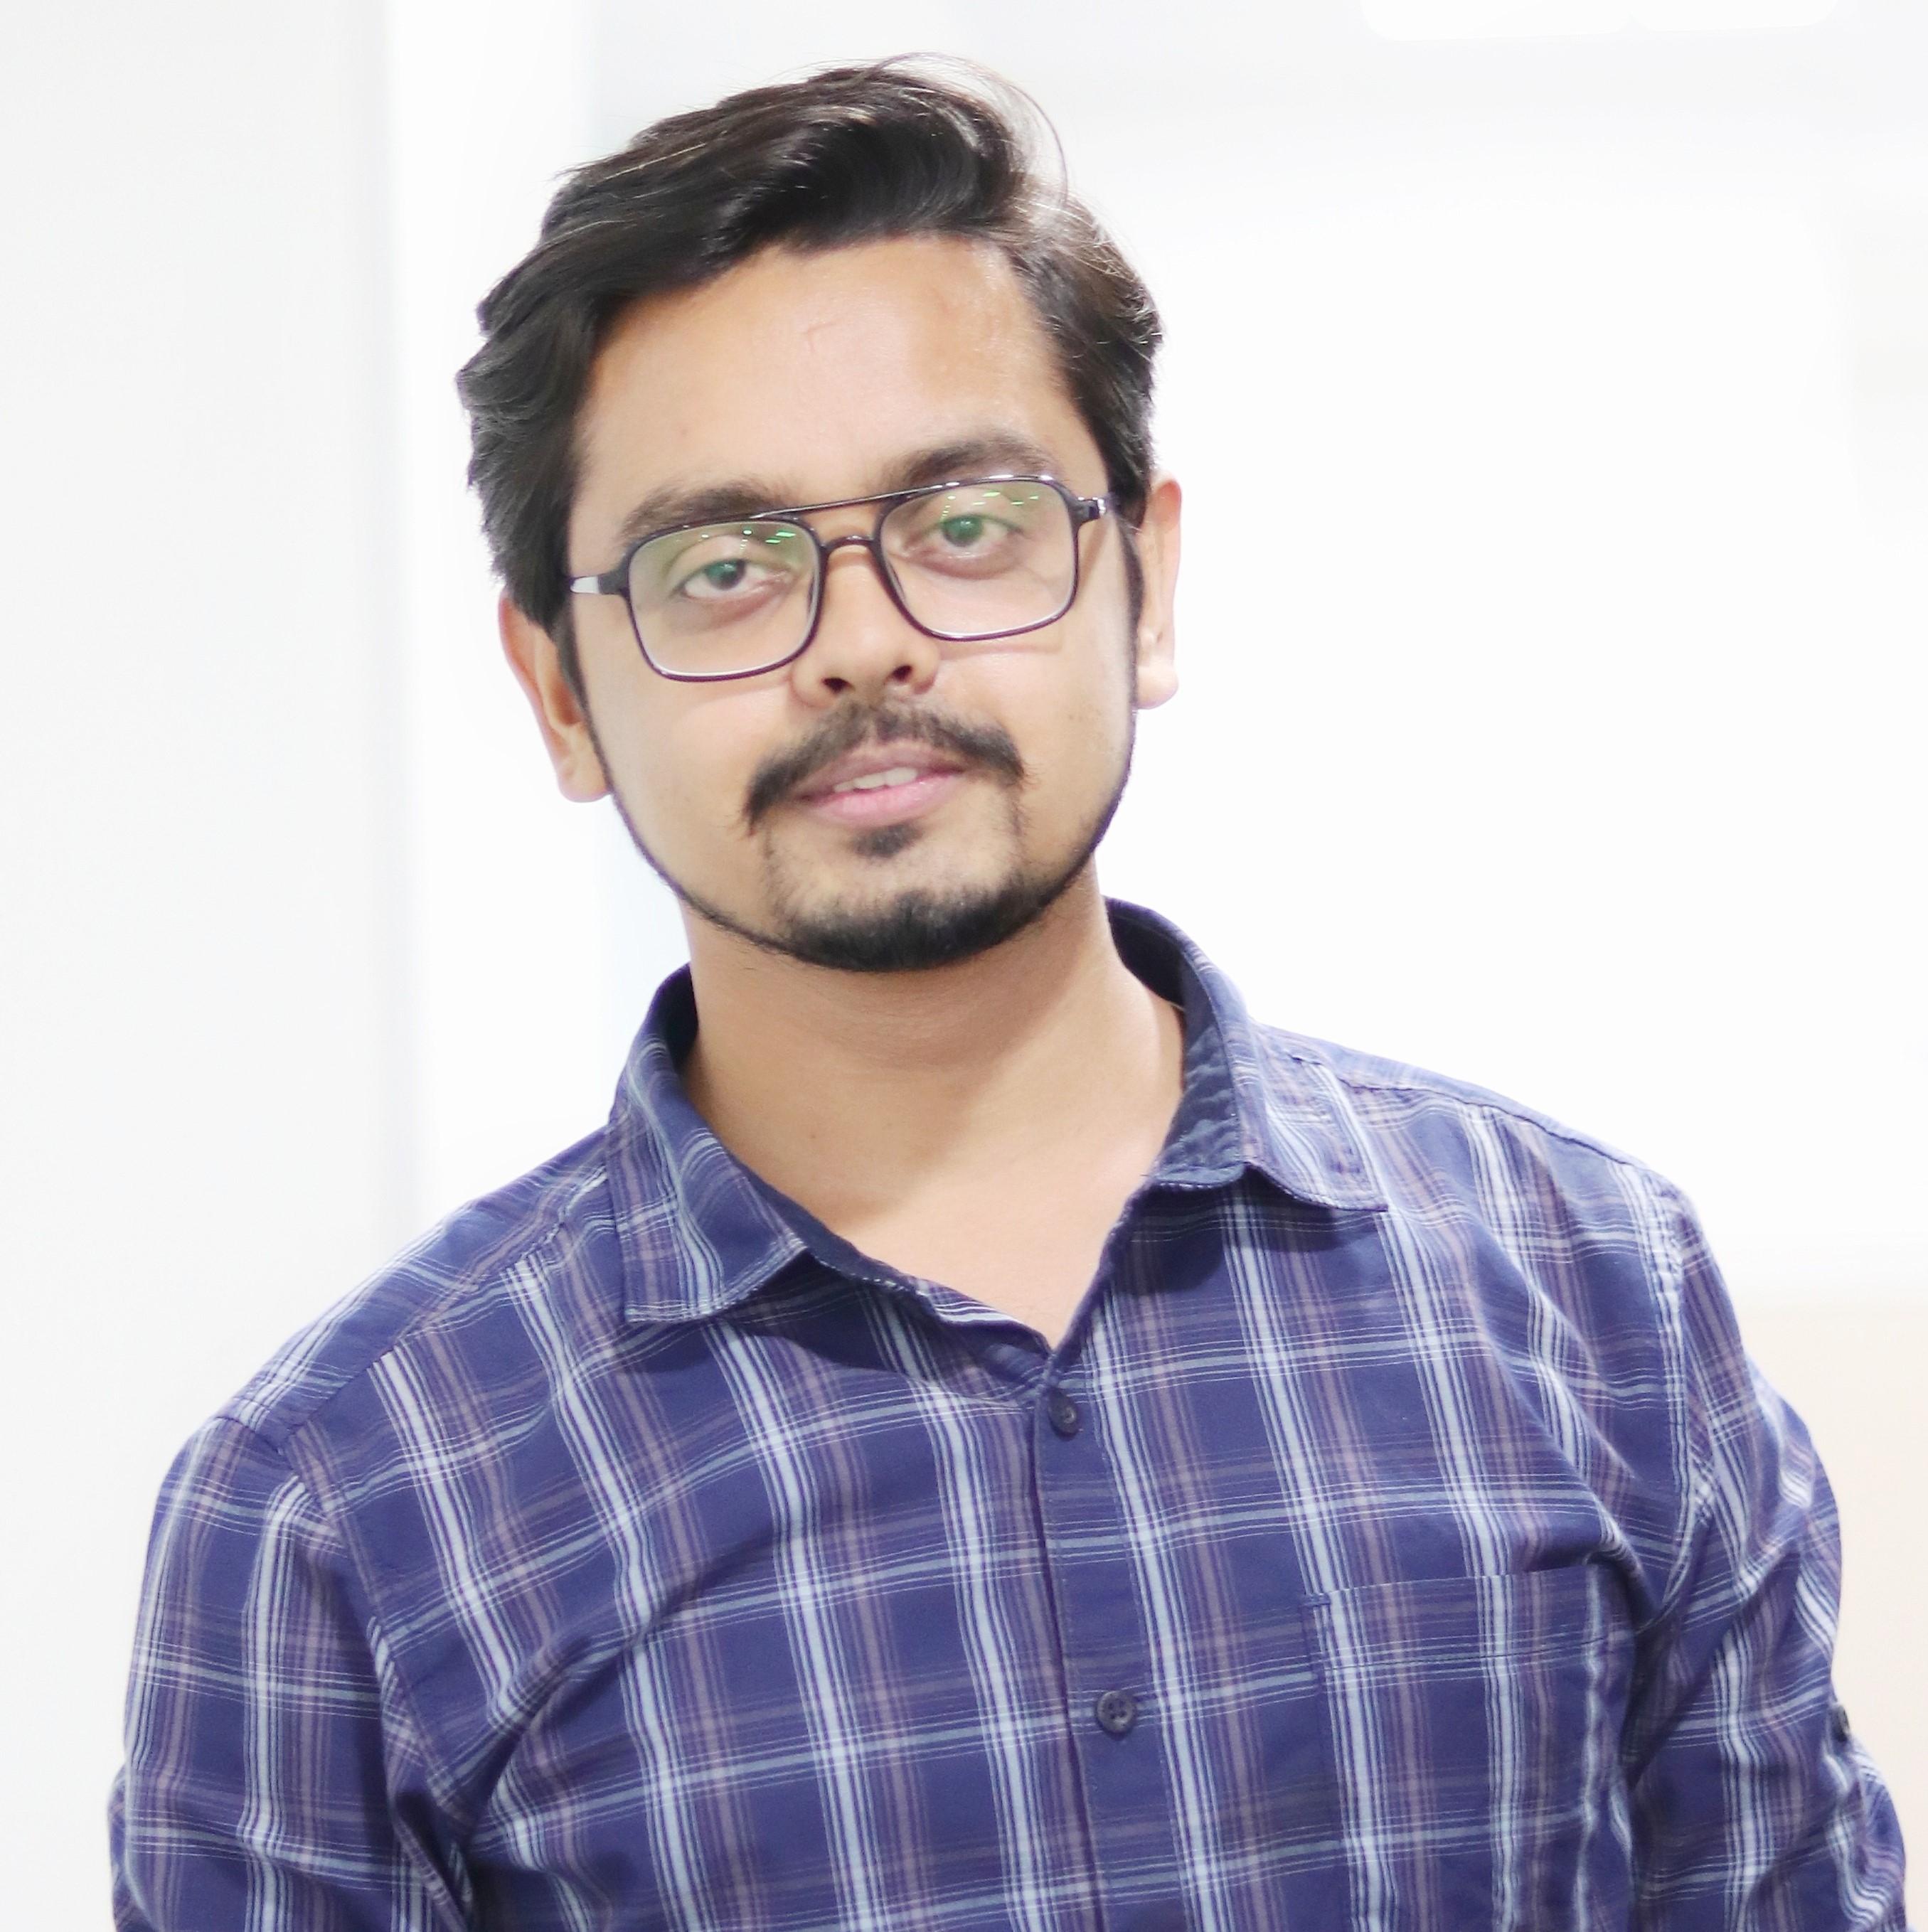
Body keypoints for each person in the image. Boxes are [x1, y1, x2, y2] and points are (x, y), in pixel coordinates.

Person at [111, 57, 1907, 1932]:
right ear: (560, 692)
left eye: (965, 528)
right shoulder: (340, 1506)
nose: (864, 643)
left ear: (1147, 580)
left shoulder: (1593, 1297)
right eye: (721, 569)